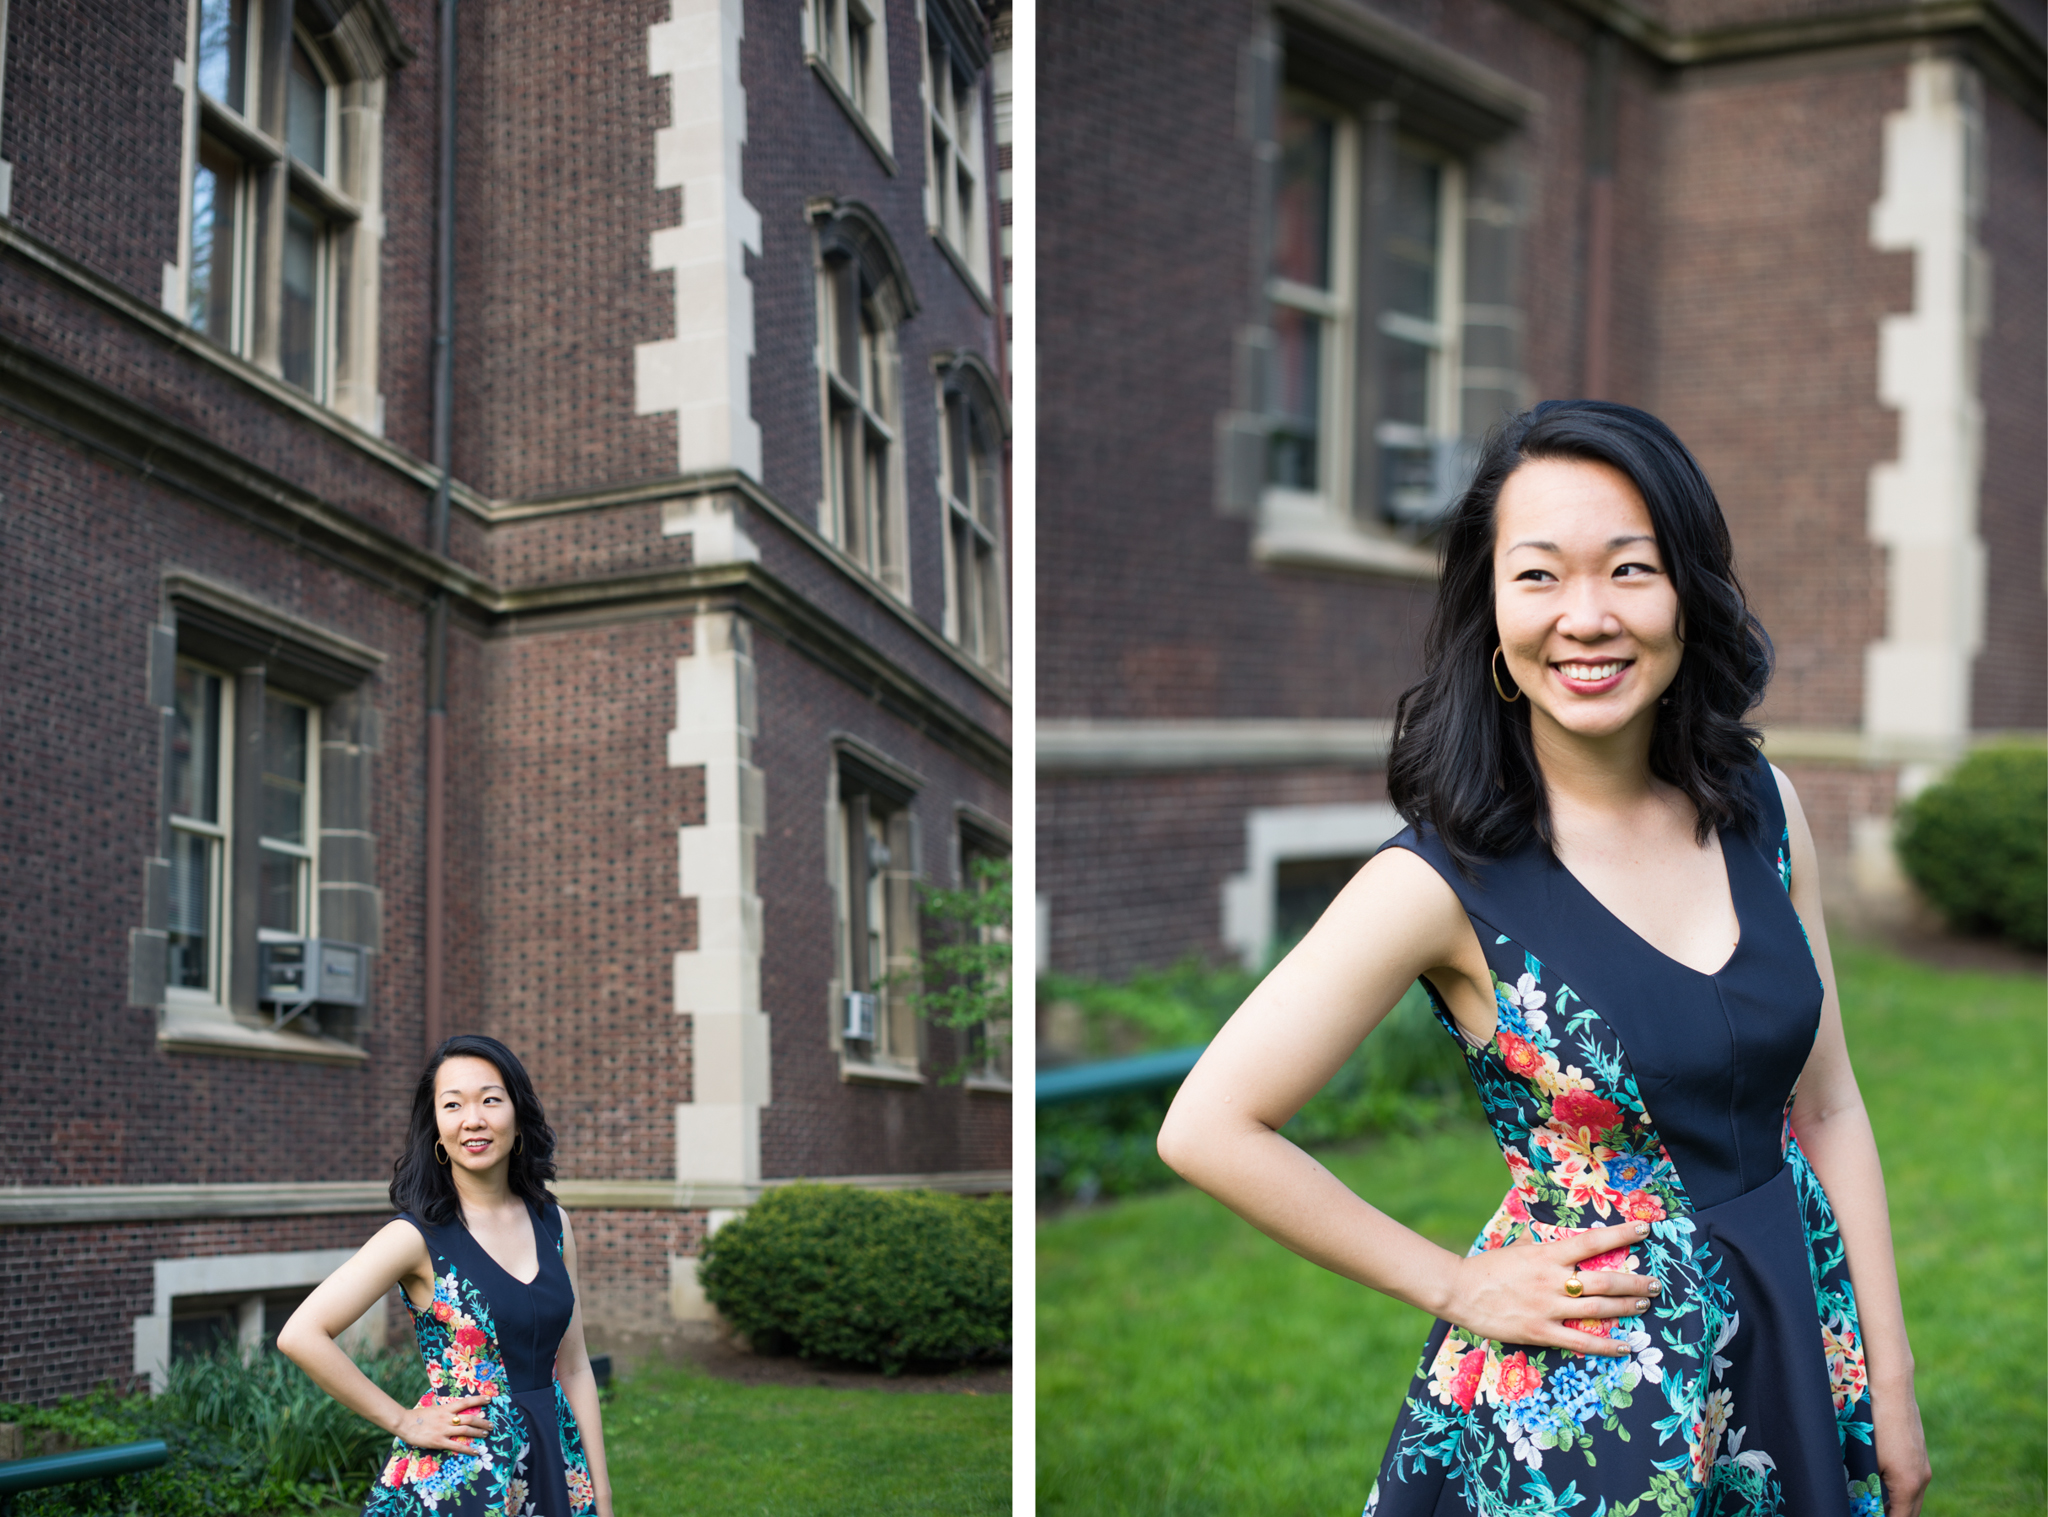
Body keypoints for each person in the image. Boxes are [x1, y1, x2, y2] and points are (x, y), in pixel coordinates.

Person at [1157, 401, 1931, 1517]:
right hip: (1599, 1393)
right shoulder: (1437, 880)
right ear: (1488, 613)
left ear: (1686, 595)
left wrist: (1886, 1377)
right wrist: (1455, 1280)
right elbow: (1206, 1124)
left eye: (1628, 569)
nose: (1586, 617)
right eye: (1537, 576)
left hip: (1798, 1328)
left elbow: (1831, 1106)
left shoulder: (1762, 809)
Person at [278, 1034, 612, 1517]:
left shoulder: (552, 1223)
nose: (473, 1119)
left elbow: (576, 1366)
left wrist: (599, 1496)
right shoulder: (415, 1237)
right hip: (466, 1477)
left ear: (517, 1117)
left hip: (556, 1463)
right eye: (452, 1105)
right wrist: (404, 1421)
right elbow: (301, 1334)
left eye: (490, 1100)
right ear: (436, 1128)